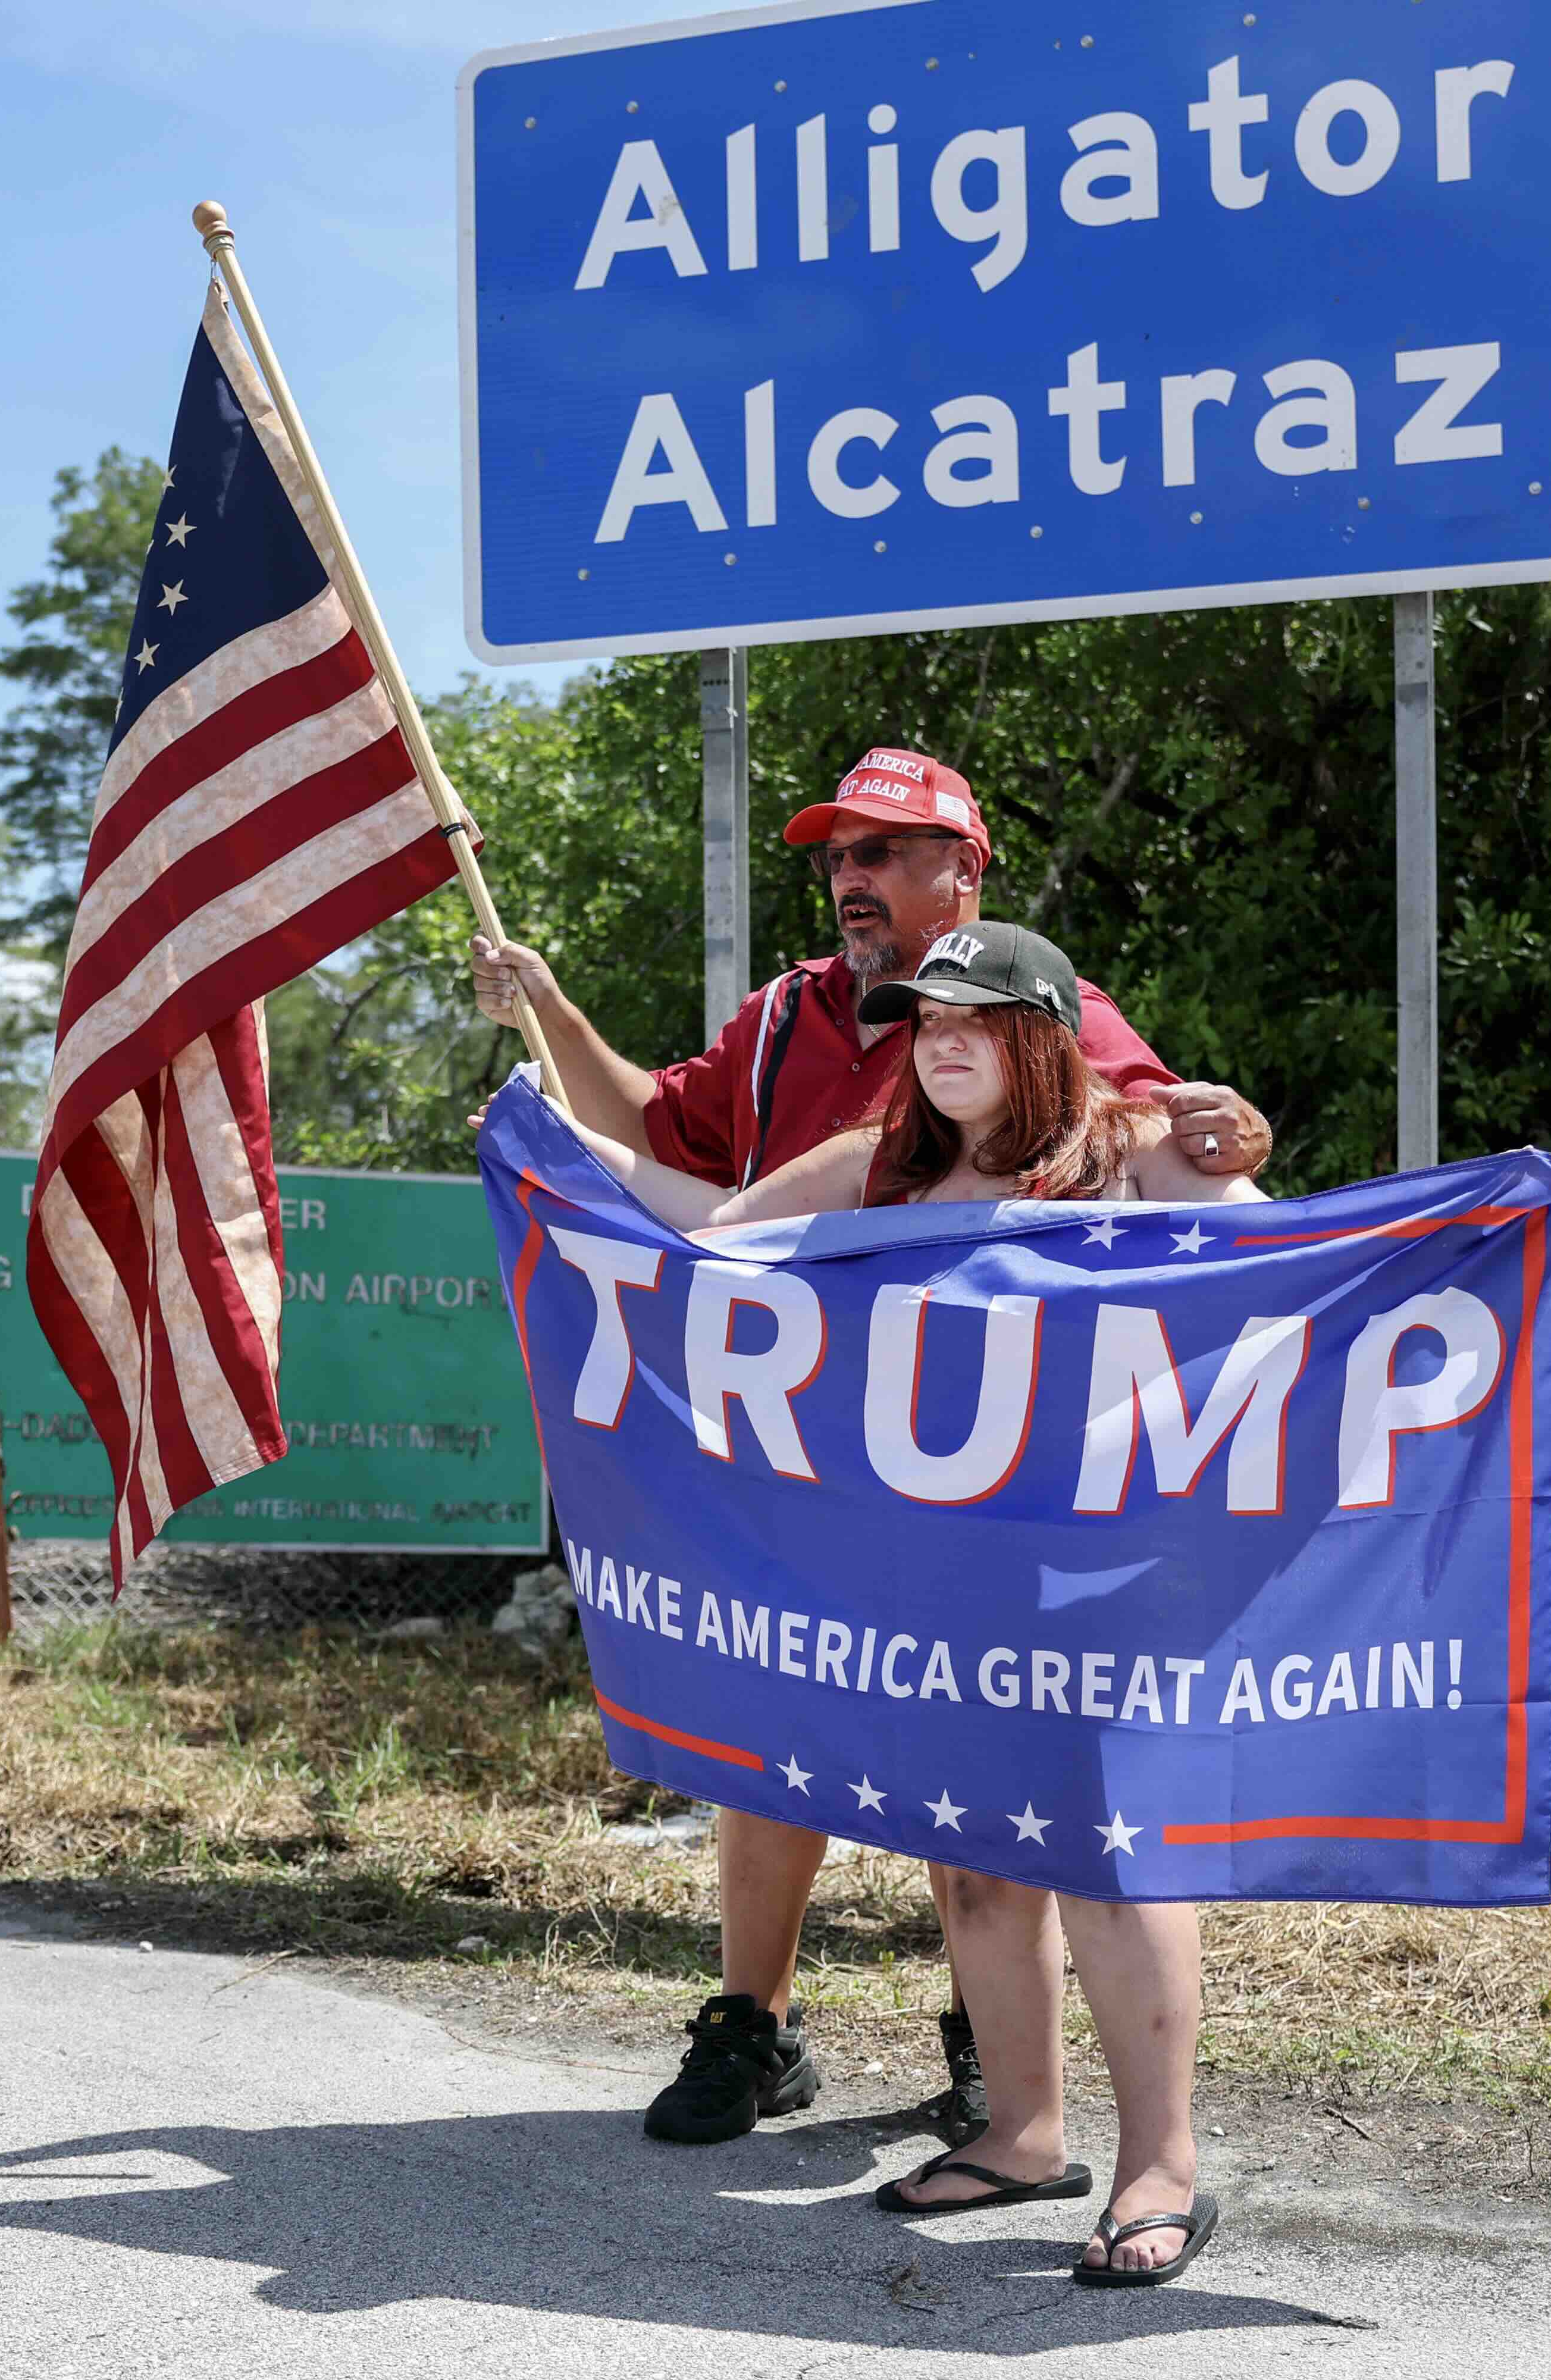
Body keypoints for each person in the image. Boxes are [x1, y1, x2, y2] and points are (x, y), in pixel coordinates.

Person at [471, 747, 1272, 2154]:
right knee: (773, 1723)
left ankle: (1012, 2076)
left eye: (886, 851)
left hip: (1002, 1482)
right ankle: (755, 2022)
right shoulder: (790, 1024)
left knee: (1004, 1782)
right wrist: (547, 1048)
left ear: (966, 870)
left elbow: (1168, 1160)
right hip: (804, 1448)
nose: (851, 876)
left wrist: (1231, 1137)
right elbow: (674, 1163)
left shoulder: (1054, 1003)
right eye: (839, 854)